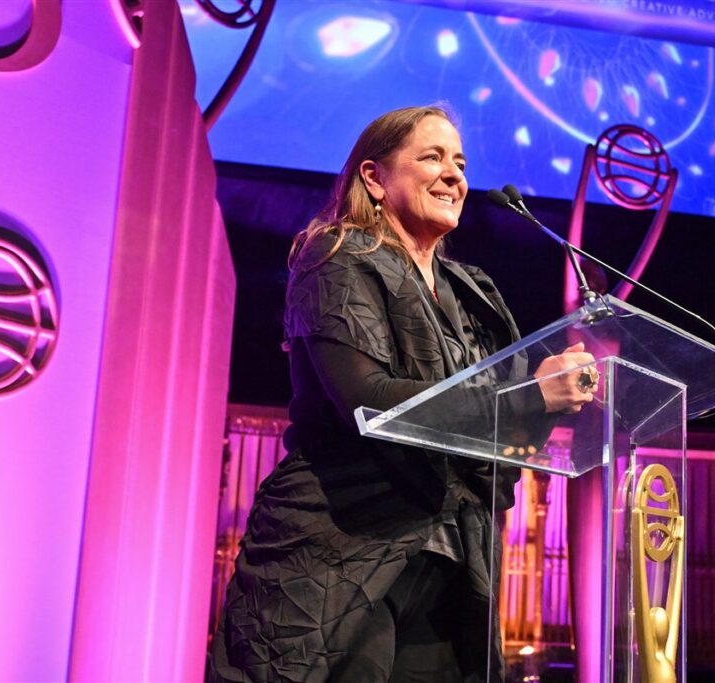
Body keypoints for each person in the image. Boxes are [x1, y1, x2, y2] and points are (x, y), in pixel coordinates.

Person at [211, 105, 596, 682]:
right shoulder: (336, 257)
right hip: (343, 554)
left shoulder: (472, 292)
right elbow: (368, 401)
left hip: (454, 561)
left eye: (460, 162)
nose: (454, 175)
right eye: (432, 158)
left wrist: (555, 391)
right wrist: (530, 396)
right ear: (374, 177)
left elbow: (505, 433)